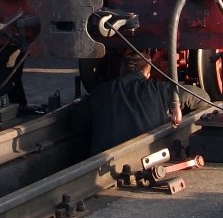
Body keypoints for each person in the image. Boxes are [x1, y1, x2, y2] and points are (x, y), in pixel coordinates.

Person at [70, 50, 208, 155]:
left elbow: (75, 122)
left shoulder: (99, 93)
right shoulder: (161, 90)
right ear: (147, 73)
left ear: (120, 70)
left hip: (100, 162)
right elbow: (203, 98)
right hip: (147, 157)